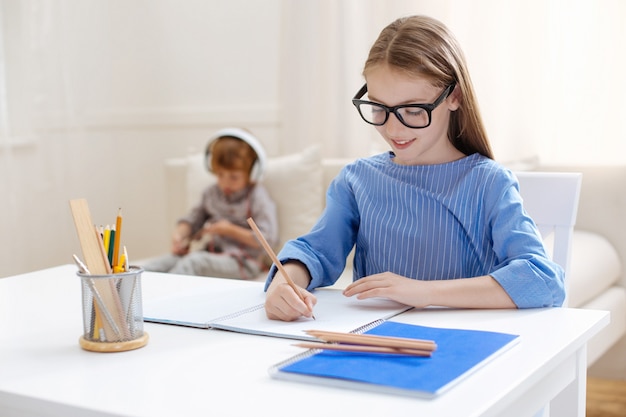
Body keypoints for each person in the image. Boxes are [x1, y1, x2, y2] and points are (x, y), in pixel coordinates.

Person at [264, 15, 565, 321]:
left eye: (412, 109)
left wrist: (423, 292)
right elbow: (315, 252)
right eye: (379, 108)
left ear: (455, 97)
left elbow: (542, 280)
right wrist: (284, 283)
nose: (393, 128)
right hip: (372, 340)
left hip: (460, 345)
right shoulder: (357, 180)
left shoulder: (488, 183)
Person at [143, 128, 278, 280]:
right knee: (159, 264)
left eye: (234, 177)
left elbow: (267, 240)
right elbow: (192, 220)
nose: (225, 182)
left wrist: (229, 230)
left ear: (252, 173)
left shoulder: (257, 196)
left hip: (243, 262)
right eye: (220, 175)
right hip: (211, 254)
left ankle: (162, 299)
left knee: (195, 262)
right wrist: (180, 235)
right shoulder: (211, 193)